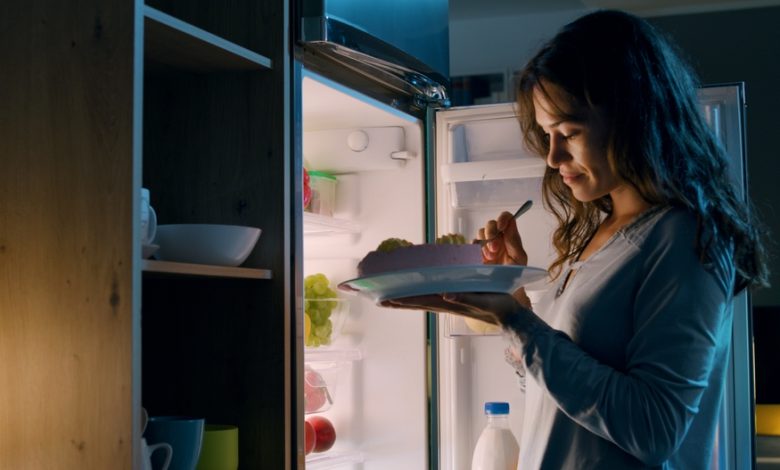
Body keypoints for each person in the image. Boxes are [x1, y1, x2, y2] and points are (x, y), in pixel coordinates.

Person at [385, 9, 770, 469]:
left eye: (568, 132)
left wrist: (515, 321)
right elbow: (560, 403)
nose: (552, 156)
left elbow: (655, 430)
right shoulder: (602, 235)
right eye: (548, 134)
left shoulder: (683, 238)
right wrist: (515, 300)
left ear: (632, 117)